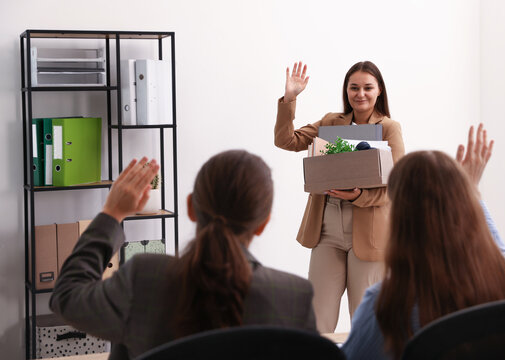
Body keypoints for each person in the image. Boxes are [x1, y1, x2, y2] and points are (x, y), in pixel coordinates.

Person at [49, 150, 316, 360]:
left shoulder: (144, 278)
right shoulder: (294, 297)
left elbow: (66, 297)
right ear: (263, 223)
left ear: (190, 207)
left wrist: (112, 213)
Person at [341, 124, 505, 360]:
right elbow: (499, 251)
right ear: (466, 208)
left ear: (400, 220)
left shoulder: (386, 304)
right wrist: (471, 191)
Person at [274, 61, 405, 332]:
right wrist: (290, 99)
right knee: (318, 320)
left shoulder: (389, 127)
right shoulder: (331, 122)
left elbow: (397, 184)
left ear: (379, 90)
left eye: (368, 88)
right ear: (346, 90)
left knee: (365, 320)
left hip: (369, 231)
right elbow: (286, 141)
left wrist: (358, 196)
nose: (361, 94)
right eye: (354, 87)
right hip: (326, 229)